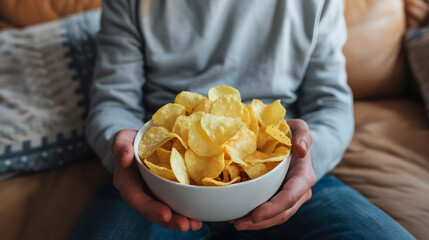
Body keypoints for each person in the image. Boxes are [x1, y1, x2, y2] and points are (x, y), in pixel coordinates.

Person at [69, 0, 415, 239]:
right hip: (158, 182)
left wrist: (306, 159)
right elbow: (112, 102)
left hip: (280, 172)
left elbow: (332, 103)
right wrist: (123, 148)